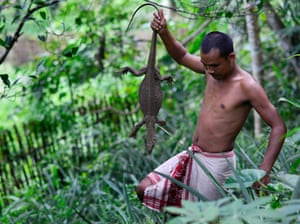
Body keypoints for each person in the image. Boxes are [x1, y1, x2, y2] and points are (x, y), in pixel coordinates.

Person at [136, 9, 287, 212]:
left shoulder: (247, 86)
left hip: (218, 164)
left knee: (209, 218)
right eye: (205, 65)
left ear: (231, 57)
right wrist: (164, 31)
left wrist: (264, 171)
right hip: (194, 154)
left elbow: (279, 126)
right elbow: (181, 55)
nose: (209, 70)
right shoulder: (210, 71)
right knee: (144, 188)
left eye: (214, 65)